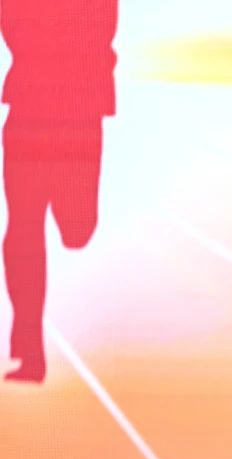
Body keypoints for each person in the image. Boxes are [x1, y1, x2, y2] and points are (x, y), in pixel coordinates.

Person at [2, 0, 117, 382]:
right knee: (23, 228)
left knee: (77, 230)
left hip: (79, 111)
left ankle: (30, 349)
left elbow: (102, 25)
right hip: (30, 109)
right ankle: (29, 350)